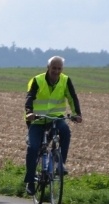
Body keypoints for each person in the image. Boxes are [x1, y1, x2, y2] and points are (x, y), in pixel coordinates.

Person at [23, 56, 83, 196]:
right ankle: (30, 181)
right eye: (53, 68)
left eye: (59, 68)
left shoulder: (65, 80)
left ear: (62, 69)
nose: (56, 71)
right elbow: (30, 97)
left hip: (55, 118)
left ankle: (59, 164)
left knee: (65, 132)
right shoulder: (37, 80)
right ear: (48, 68)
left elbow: (72, 97)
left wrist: (77, 114)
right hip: (37, 120)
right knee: (33, 148)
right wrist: (29, 112)